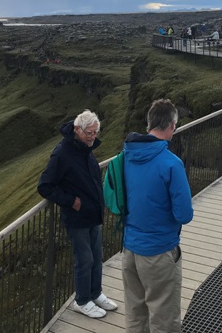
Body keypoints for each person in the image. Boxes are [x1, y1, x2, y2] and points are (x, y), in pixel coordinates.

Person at [121, 99, 194, 333]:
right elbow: (184, 214)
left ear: (149, 124)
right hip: (159, 251)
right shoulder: (171, 163)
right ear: (172, 125)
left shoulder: (125, 157)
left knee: (135, 314)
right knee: (164, 318)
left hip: (129, 249)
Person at [37, 110, 118, 319]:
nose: (93, 137)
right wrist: (71, 201)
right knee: (84, 259)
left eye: (95, 132)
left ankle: (95, 293)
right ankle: (82, 301)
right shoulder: (62, 153)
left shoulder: (84, 148)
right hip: (78, 217)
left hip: (93, 214)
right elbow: (45, 186)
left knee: (96, 257)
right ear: (77, 130)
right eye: (89, 133)